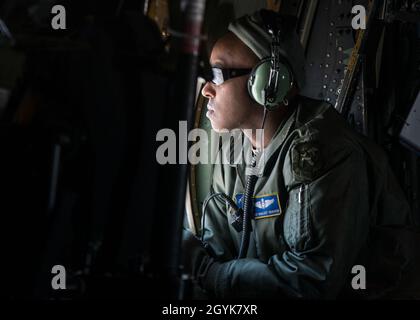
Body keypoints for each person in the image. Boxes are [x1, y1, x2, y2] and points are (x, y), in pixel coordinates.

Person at [182, 9, 412, 299]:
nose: (207, 91)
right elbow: (215, 251)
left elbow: (310, 279)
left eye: (219, 75)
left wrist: (216, 276)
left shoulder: (322, 151)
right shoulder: (233, 152)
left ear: (269, 82)